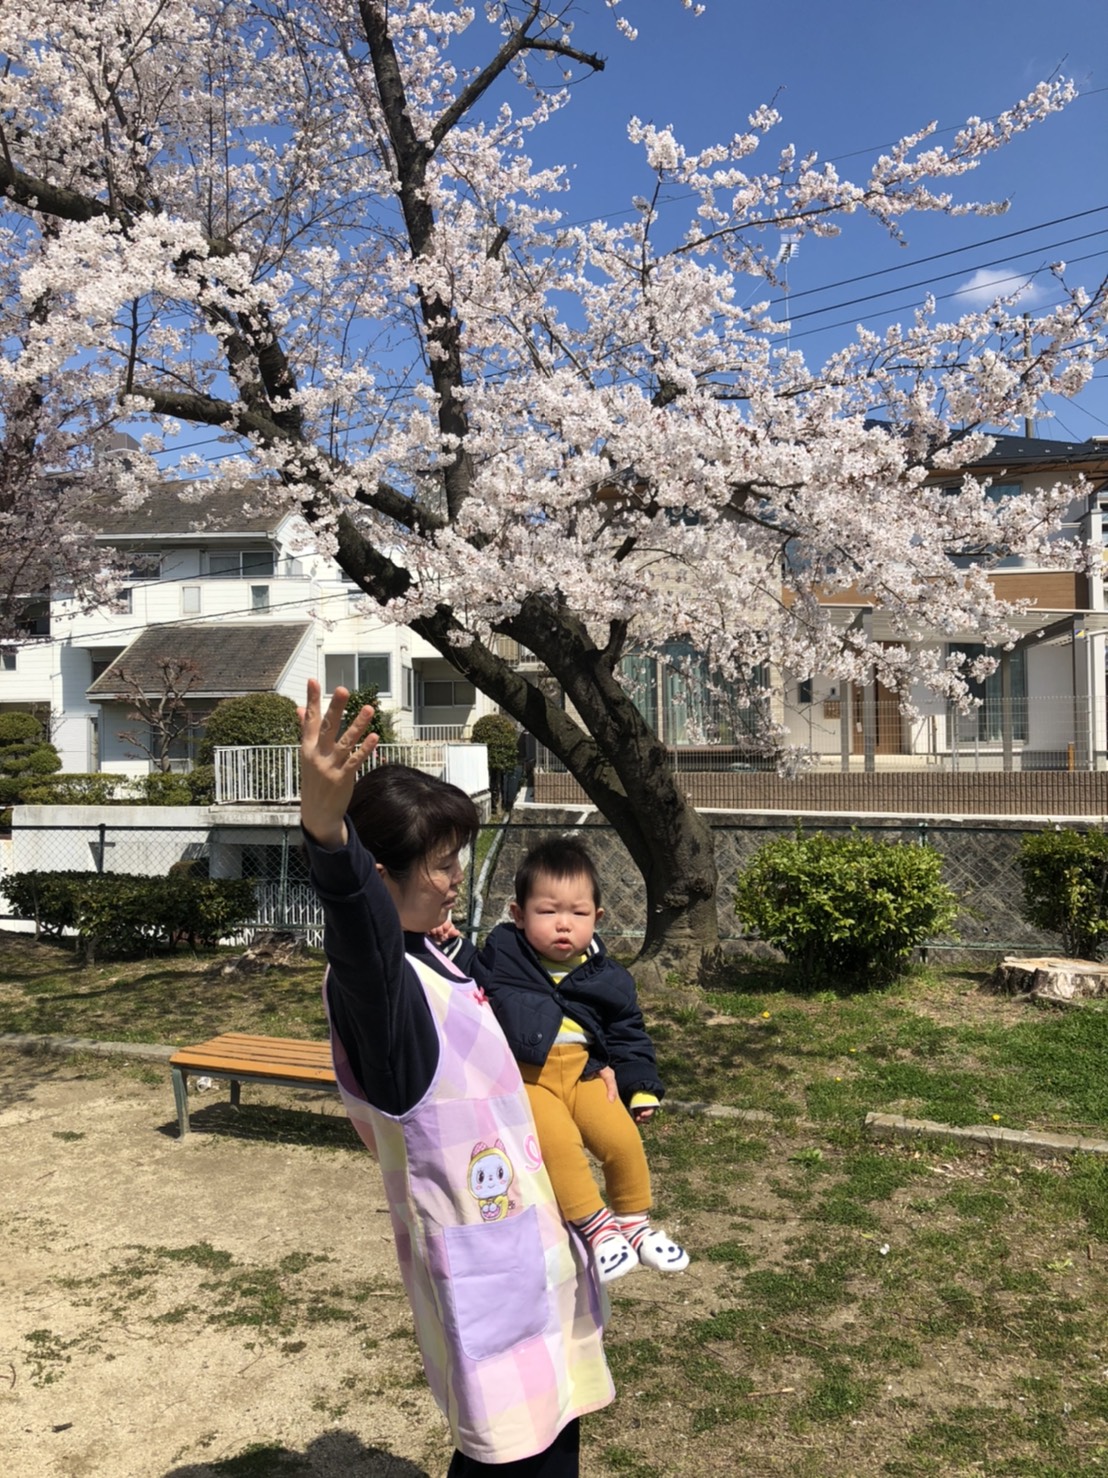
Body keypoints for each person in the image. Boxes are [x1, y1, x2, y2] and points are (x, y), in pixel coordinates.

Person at [298, 681, 613, 1476]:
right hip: (487, 1278)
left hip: (528, 1250)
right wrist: (327, 834)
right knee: (514, 1455)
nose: (453, 880)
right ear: (382, 876)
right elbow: (362, 946)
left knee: (550, 1434)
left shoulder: (436, 960)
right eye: (440, 866)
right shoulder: (383, 994)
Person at [475, 835, 689, 1285]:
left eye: (578, 913)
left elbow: (627, 1033)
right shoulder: (501, 956)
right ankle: (598, 1229)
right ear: (518, 914)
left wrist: (640, 1085)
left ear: (598, 917)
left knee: (622, 1140)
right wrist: (445, 940)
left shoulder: (607, 977)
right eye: (548, 911)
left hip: (587, 1073)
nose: (563, 925)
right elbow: (463, 978)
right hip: (530, 1078)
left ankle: (635, 1224)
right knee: (558, 1146)